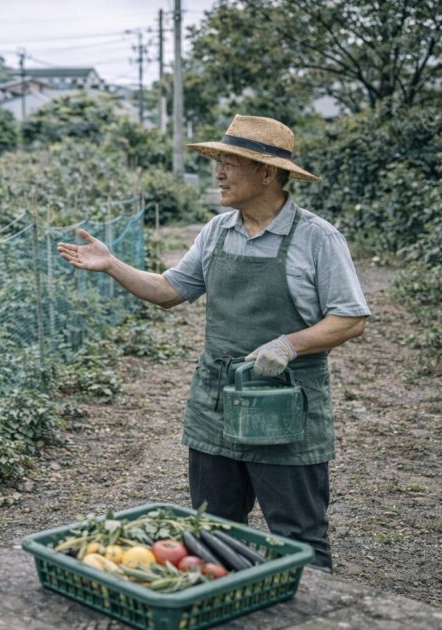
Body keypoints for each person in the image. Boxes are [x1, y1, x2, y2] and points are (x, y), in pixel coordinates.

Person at [58, 115, 370, 570]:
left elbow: (350, 318)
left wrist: (288, 345)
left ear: (267, 172)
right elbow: (168, 291)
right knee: (212, 532)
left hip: (284, 404)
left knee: (299, 537)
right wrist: (112, 265)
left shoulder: (316, 238)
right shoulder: (217, 231)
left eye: (231, 164)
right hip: (216, 401)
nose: (218, 173)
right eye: (218, 162)